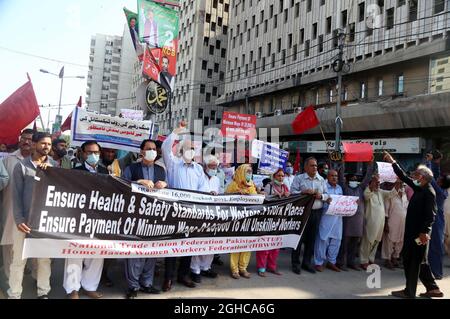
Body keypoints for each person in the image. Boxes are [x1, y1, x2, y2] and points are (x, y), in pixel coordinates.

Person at [384, 151, 444, 298]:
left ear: (422, 177)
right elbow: (403, 176)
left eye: (416, 174)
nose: (413, 176)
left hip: (420, 234)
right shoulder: (419, 187)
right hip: (413, 232)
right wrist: (393, 162)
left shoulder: (429, 192)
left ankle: (409, 291)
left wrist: (424, 232)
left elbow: (431, 215)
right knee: (420, 260)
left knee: (412, 260)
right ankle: (433, 288)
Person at [161, 121, 210, 291]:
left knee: (188, 246)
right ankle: (168, 278)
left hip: (193, 213)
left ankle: (183, 275)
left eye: (192, 149)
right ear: (181, 151)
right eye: (187, 148)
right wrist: (175, 132)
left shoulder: (198, 169)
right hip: (175, 212)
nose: (190, 151)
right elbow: (165, 148)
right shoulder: (173, 164)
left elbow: (203, 188)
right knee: (172, 247)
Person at [9, 132, 54, 299]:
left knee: (44, 260)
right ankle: (14, 294)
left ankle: (43, 291)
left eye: (49, 144)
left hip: (45, 222)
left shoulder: (54, 166)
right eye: (43, 143)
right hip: (24, 222)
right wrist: (19, 219)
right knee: (18, 261)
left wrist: (50, 172)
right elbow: (16, 195)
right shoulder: (21, 166)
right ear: (34, 144)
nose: (46, 147)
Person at [122, 139, 166, 299]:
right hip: (135, 215)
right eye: (149, 149)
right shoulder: (131, 168)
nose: (152, 151)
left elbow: (168, 194)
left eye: (154, 149)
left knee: (150, 251)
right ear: (141, 152)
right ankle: (133, 286)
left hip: (154, 216)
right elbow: (122, 186)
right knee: (135, 253)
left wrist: (165, 185)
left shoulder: (161, 170)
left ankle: (147, 283)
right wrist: (138, 182)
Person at [63, 141, 108, 299]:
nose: (93, 155)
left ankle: (90, 286)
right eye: (89, 152)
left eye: (96, 152)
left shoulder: (105, 172)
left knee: (96, 254)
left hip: (99, 219)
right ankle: (72, 289)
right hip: (79, 218)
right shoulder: (75, 171)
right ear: (82, 154)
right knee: (75, 253)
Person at [1, 129, 34, 280]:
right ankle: (10, 281)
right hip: (9, 211)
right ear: (19, 140)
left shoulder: (42, 163)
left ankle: (35, 277)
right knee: (9, 246)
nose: (26, 142)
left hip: (32, 213)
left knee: (31, 246)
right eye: (23, 138)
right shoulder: (7, 160)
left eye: (30, 139)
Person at [290, 157, 331, 274]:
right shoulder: (299, 178)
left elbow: (328, 195)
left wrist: (321, 196)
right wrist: (303, 192)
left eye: (316, 166)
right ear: (306, 167)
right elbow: (292, 193)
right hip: (302, 213)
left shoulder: (321, 180)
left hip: (316, 213)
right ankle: (295, 263)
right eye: (312, 165)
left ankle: (306, 263)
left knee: (311, 240)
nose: (315, 168)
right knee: (299, 238)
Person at [337, 162, 374, 271]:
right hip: (348, 221)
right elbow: (340, 176)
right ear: (348, 181)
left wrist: (370, 166)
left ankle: (351, 262)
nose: (354, 181)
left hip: (358, 222)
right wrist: (342, 163)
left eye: (355, 179)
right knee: (345, 244)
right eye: (352, 179)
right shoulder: (344, 188)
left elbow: (367, 178)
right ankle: (341, 263)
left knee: (354, 244)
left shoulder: (360, 188)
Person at [190, 155, 220, 283]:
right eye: (211, 166)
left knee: (211, 242)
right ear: (205, 167)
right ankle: (195, 269)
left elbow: (221, 194)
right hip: (199, 213)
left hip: (213, 214)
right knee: (198, 242)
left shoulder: (217, 180)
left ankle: (206, 267)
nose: (213, 169)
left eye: (215, 167)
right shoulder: (198, 177)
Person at [226, 164, 258, 279]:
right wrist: (237, 194)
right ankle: (234, 269)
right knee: (236, 244)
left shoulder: (252, 185)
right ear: (241, 172)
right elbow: (225, 199)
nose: (249, 174)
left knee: (247, 244)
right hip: (236, 220)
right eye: (247, 171)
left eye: (250, 172)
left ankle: (243, 268)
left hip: (248, 220)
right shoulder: (233, 185)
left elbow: (256, 199)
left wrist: (253, 194)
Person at [257, 168, 289, 277]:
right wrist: (274, 196)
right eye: (278, 176)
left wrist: (288, 195)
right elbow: (263, 199)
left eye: (282, 176)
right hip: (268, 219)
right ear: (274, 176)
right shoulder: (269, 186)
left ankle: (272, 267)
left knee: (275, 245)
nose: (281, 178)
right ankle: (261, 268)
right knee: (265, 244)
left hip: (279, 219)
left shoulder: (284, 187)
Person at [360, 174, 396, 270]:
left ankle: (371, 259)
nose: (378, 184)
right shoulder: (368, 190)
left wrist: (397, 183)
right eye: (376, 182)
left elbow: (391, 194)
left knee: (376, 241)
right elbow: (366, 196)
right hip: (371, 222)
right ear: (371, 182)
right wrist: (372, 187)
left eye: (379, 182)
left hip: (380, 222)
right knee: (368, 241)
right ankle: (364, 261)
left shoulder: (380, 192)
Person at [314, 169, 343, 272]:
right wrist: (325, 199)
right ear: (328, 177)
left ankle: (332, 262)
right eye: (332, 176)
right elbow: (319, 198)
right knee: (323, 240)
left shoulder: (339, 188)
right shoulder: (324, 186)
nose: (334, 178)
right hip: (326, 217)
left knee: (336, 240)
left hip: (337, 219)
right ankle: (318, 262)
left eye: (336, 176)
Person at [427, 167, 449, 280]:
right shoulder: (442, 190)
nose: (438, 178)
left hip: (436, 222)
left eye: (440, 178)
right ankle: (433, 271)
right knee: (432, 246)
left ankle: (437, 273)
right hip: (437, 221)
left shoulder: (439, 191)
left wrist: (428, 163)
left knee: (435, 247)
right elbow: (435, 176)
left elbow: (431, 178)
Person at [381, 178, 408, 270]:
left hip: (403, 223)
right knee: (389, 241)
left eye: (402, 185)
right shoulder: (390, 196)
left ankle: (395, 258)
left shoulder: (404, 196)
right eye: (399, 184)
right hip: (392, 222)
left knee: (400, 241)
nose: (401, 186)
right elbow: (386, 211)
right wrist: (386, 224)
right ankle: (387, 260)